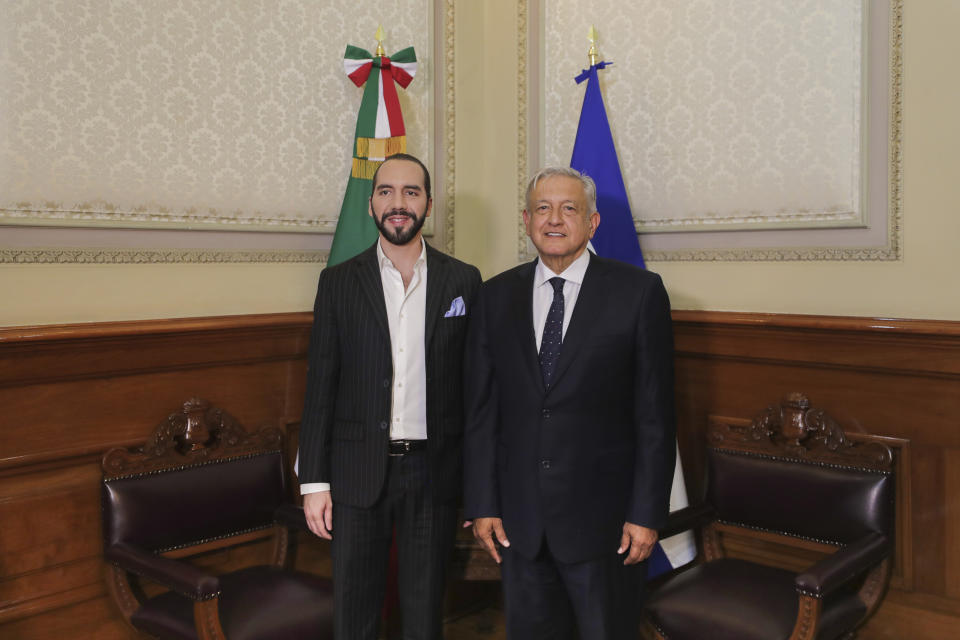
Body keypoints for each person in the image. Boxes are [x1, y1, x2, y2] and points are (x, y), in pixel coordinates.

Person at [463, 166, 676, 639]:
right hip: (519, 524)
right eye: (543, 208)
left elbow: (655, 417)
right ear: (526, 219)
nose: (554, 219)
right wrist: (482, 502)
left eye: (569, 208)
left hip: (606, 526)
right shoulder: (495, 296)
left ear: (592, 222)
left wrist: (645, 515)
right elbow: (481, 411)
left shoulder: (639, 293)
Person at [298, 153, 482, 640]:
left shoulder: (464, 280)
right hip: (356, 472)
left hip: (435, 473)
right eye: (386, 192)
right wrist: (314, 481)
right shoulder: (337, 283)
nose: (398, 203)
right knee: (354, 614)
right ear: (371, 204)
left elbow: (477, 390)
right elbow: (321, 387)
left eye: (410, 192)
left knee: (424, 617)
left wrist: (481, 484)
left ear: (427, 203)